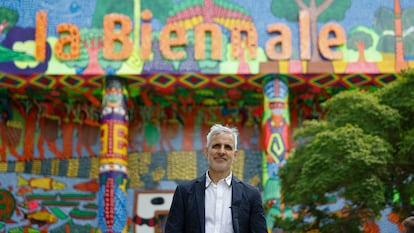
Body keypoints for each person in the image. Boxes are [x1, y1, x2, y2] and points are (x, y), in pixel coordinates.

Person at [164, 124, 267, 233]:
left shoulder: (251, 195)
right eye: (216, 146)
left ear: (235, 155)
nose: (221, 151)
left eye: (227, 147)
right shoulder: (184, 192)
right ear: (206, 152)